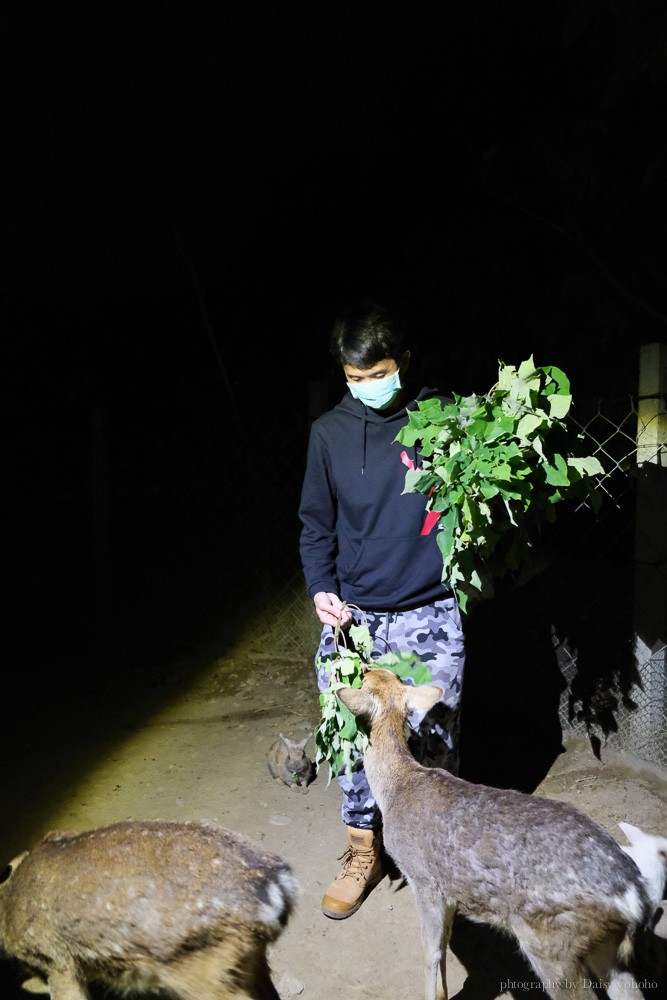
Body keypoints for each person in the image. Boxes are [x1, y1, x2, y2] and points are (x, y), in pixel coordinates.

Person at [298, 299, 466, 919]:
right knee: (352, 744)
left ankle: (440, 857)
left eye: (378, 373)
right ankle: (362, 851)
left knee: (434, 739)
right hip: (357, 621)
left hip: (431, 612)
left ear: (404, 362)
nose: (367, 388)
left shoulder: (443, 419)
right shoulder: (328, 435)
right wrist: (322, 588)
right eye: (354, 378)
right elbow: (316, 527)